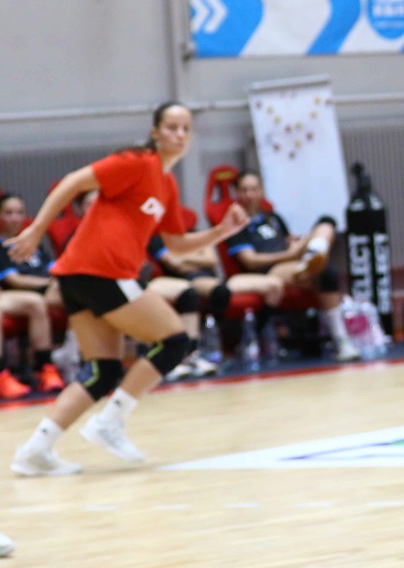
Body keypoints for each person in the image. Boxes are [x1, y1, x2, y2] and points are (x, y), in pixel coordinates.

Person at [6, 102, 249, 476]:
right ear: (155, 132)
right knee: (174, 341)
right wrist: (36, 229)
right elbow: (73, 181)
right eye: (171, 127)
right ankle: (110, 422)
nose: (179, 135)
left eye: (185, 128)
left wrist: (221, 232)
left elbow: (176, 243)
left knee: (102, 371)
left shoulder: (167, 184)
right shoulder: (136, 162)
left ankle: (34, 451)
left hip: (79, 276)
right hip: (99, 271)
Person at [223, 170, 358, 363]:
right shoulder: (235, 225)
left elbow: (286, 240)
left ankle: (314, 252)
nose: (249, 194)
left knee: (326, 223)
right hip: (269, 270)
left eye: (254, 189)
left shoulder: (273, 218)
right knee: (324, 272)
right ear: (236, 193)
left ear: (261, 191)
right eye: (244, 190)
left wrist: (296, 243)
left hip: (293, 259)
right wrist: (289, 254)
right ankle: (341, 339)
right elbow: (250, 260)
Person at [0, 192, 67, 395]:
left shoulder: (32, 243)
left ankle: (74, 357)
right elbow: (14, 280)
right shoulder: (2, 246)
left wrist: (60, 280)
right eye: (8, 213)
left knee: (79, 296)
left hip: (45, 291)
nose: (14, 218)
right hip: (13, 295)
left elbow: (55, 268)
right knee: (35, 302)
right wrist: (48, 283)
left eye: (19, 212)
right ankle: (9, 375)